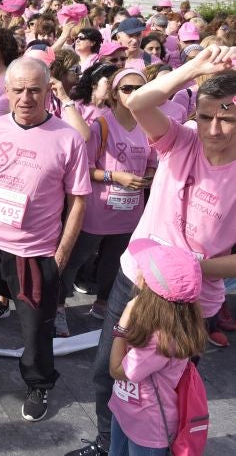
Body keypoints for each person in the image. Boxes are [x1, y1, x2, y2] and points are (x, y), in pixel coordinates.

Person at [70, 48, 236, 456]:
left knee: (162, 387)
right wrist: (194, 67)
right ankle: (107, 443)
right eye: (207, 115)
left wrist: (186, 271)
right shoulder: (181, 140)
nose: (214, 129)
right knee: (108, 373)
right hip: (134, 282)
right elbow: (139, 100)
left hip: (190, 302)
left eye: (228, 117)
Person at [0, 56, 91, 422]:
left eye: (34, 90)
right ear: (7, 92)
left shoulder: (68, 138)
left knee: (35, 327)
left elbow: (78, 201)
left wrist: (60, 256)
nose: (26, 97)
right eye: (18, 90)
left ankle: (39, 384)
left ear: (49, 91)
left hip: (35, 251)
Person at [56, 70, 156, 338]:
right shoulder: (102, 125)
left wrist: (148, 177)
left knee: (116, 261)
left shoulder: (149, 126)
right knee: (75, 259)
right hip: (98, 211)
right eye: (126, 88)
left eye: (139, 88)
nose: (133, 93)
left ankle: (103, 307)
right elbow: (84, 170)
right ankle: (58, 308)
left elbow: (153, 163)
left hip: (130, 212)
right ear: (114, 93)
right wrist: (115, 176)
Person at [107, 240, 206, 456]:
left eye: (142, 267)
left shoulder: (160, 341)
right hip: (126, 412)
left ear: (148, 286)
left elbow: (116, 370)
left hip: (148, 430)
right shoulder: (163, 323)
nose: (138, 269)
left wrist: (122, 324)